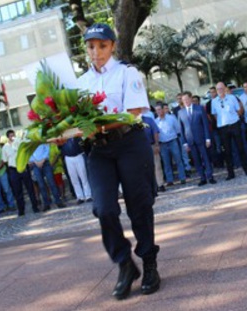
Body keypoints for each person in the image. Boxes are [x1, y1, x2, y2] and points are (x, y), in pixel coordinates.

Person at [75, 23, 160, 300]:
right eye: (90, 46)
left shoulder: (127, 72)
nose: (96, 52)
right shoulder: (81, 83)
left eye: (101, 45)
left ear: (112, 46)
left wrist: (94, 125)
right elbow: (76, 122)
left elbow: (133, 111)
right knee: (103, 209)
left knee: (140, 205)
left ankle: (148, 263)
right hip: (98, 151)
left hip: (129, 145)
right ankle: (125, 263)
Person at [211, 82, 247, 180]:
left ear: (225, 88)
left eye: (221, 88)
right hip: (223, 127)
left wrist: (233, 119)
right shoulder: (214, 101)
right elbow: (215, 115)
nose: (220, 91)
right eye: (218, 89)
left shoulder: (232, 98)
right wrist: (222, 122)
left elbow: (239, 110)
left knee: (240, 148)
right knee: (227, 151)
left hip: (234, 124)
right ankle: (231, 173)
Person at [178, 91, 216, 186]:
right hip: (190, 140)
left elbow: (205, 124)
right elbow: (181, 129)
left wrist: (208, 138)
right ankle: (202, 178)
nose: (186, 101)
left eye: (187, 99)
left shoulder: (199, 109)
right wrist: (184, 143)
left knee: (206, 158)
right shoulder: (180, 112)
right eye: (184, 100)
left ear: (191, 98)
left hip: (201, 138)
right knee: (196, 160)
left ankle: (210, 176)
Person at [2, 132, 40, 216]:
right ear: (8, 137)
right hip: (13, 169)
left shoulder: (20, 143)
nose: (13, 137)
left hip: (23, 167)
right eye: (11, 136)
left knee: (30, 188)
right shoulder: (5, 147)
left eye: (13, 135)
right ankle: (21, 210)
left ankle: (35, 207)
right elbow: (5, 160)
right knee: (17, 191)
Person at [155, 103, 187, 186]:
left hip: (173, 141)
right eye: (156, 110)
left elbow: (178, 129)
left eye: (159, 109)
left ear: (163, 109)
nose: (158, 111)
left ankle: (182, 178)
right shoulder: (156, 121)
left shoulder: (171, 118)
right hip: (163, 144)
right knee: (166, 162)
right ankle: (170, 180)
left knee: (178, 160)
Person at [29, 143, 66, 211]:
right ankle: (46, 203)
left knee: (52, 183)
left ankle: (58, 201)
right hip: (35, 165)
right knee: (41, 185)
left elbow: (47, 149)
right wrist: (35, 162)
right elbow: (29, 153)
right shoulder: (29, 143)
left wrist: (42, 160)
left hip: (45, 163)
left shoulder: (42, 140)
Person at [59, 137, 92, 204]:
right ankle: (80, 197)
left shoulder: (75, 135)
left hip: (78, 155)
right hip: (68, 157)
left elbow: (82, 144)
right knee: (73, 178)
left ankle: (88, 195)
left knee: (83, 176)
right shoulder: (61, 136)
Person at [141, 109, 165, 192]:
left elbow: (155, 132)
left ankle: (160, 184)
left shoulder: (148, 120)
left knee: (157, 165)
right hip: (139, 148)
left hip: (151, 145)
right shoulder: (131, 122)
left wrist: (156, 144)